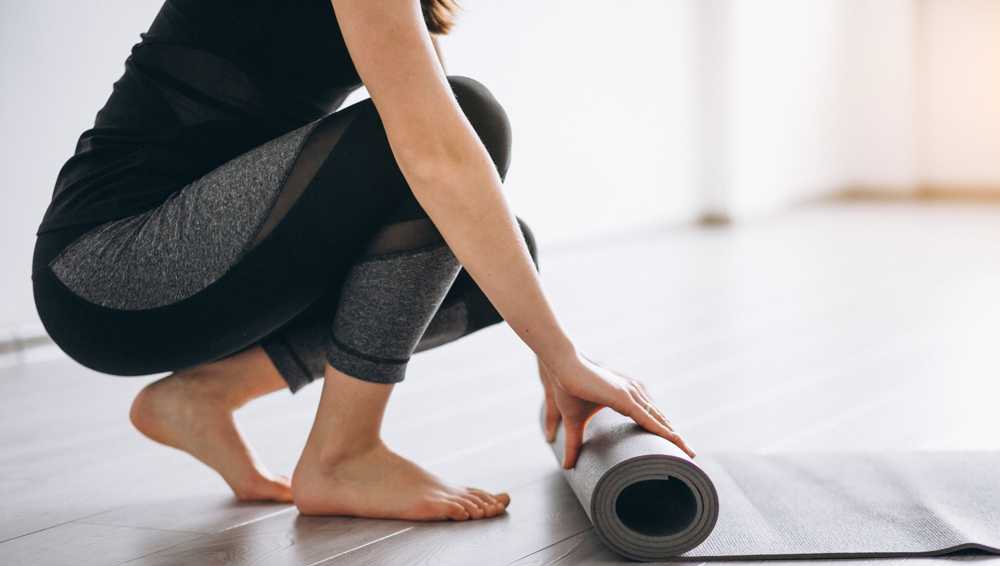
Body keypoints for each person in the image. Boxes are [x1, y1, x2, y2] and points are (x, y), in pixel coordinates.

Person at [31, 0, 692, 522]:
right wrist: (560, 354)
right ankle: (344, 454)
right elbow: (437, 151)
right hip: (109, 265)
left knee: (490, 264)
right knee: (469, 124)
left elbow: (442, 148)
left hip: (185, 265)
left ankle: (206, 394)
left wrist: (552, 351)